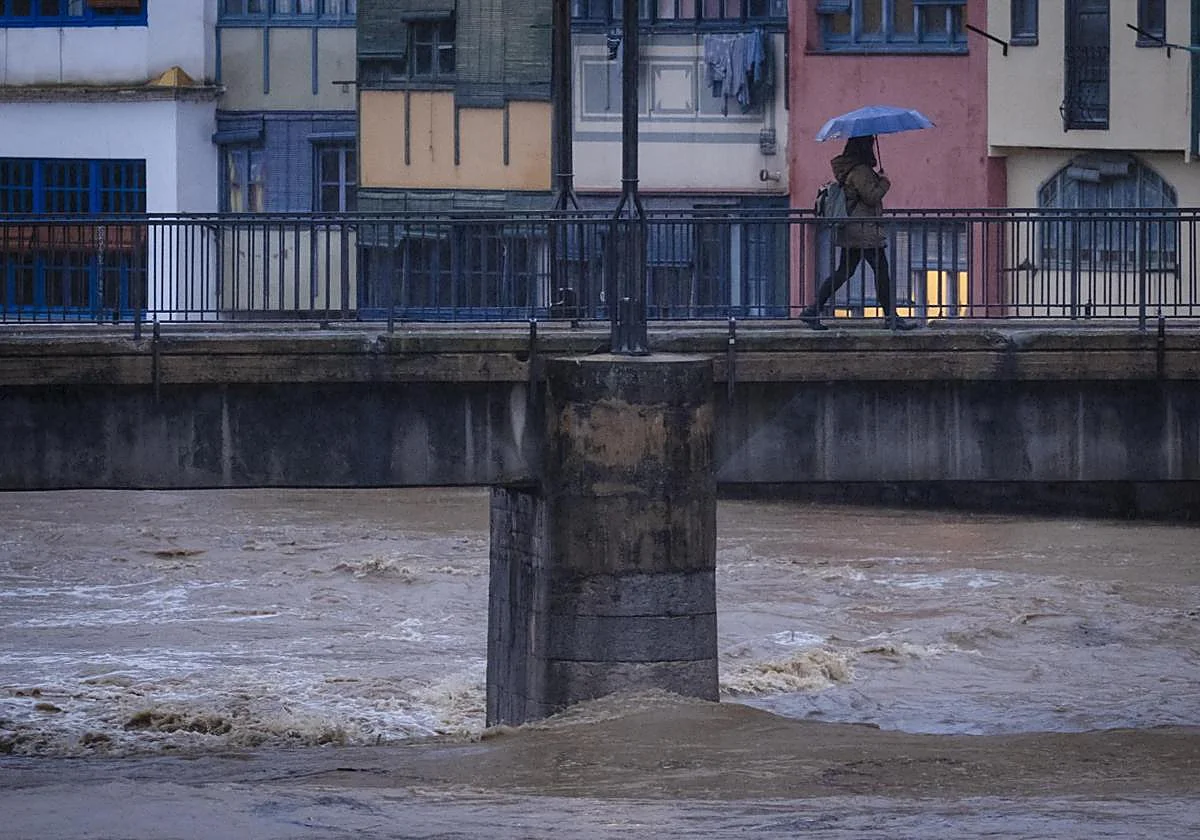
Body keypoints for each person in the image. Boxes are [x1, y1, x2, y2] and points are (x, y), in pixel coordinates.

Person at [801, 135, 917, 331]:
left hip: (853, 229)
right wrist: (884, 182)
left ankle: (813, 310)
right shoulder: (861, 171)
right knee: (881, 273)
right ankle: (891, 317)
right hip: (864, 230)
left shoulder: (850, 169)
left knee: (844, 272)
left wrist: (876, 179)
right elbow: (872, 197)